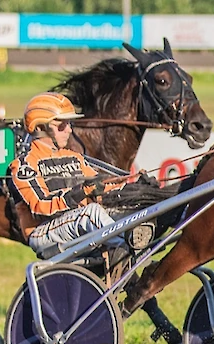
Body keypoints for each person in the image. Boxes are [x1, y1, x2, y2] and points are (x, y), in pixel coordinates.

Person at [9, 92, 127, 261]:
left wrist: (131, 183)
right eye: (62, 125)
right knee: (90, 213)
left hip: (74, 223)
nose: (70, 130)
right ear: (41, 127)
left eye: (70, 123)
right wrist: (81, 192)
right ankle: (128, 248)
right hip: (43, 232)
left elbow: (101, 185)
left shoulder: (74, 157)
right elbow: (41, 206)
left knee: (126, 211)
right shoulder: (23, 165)